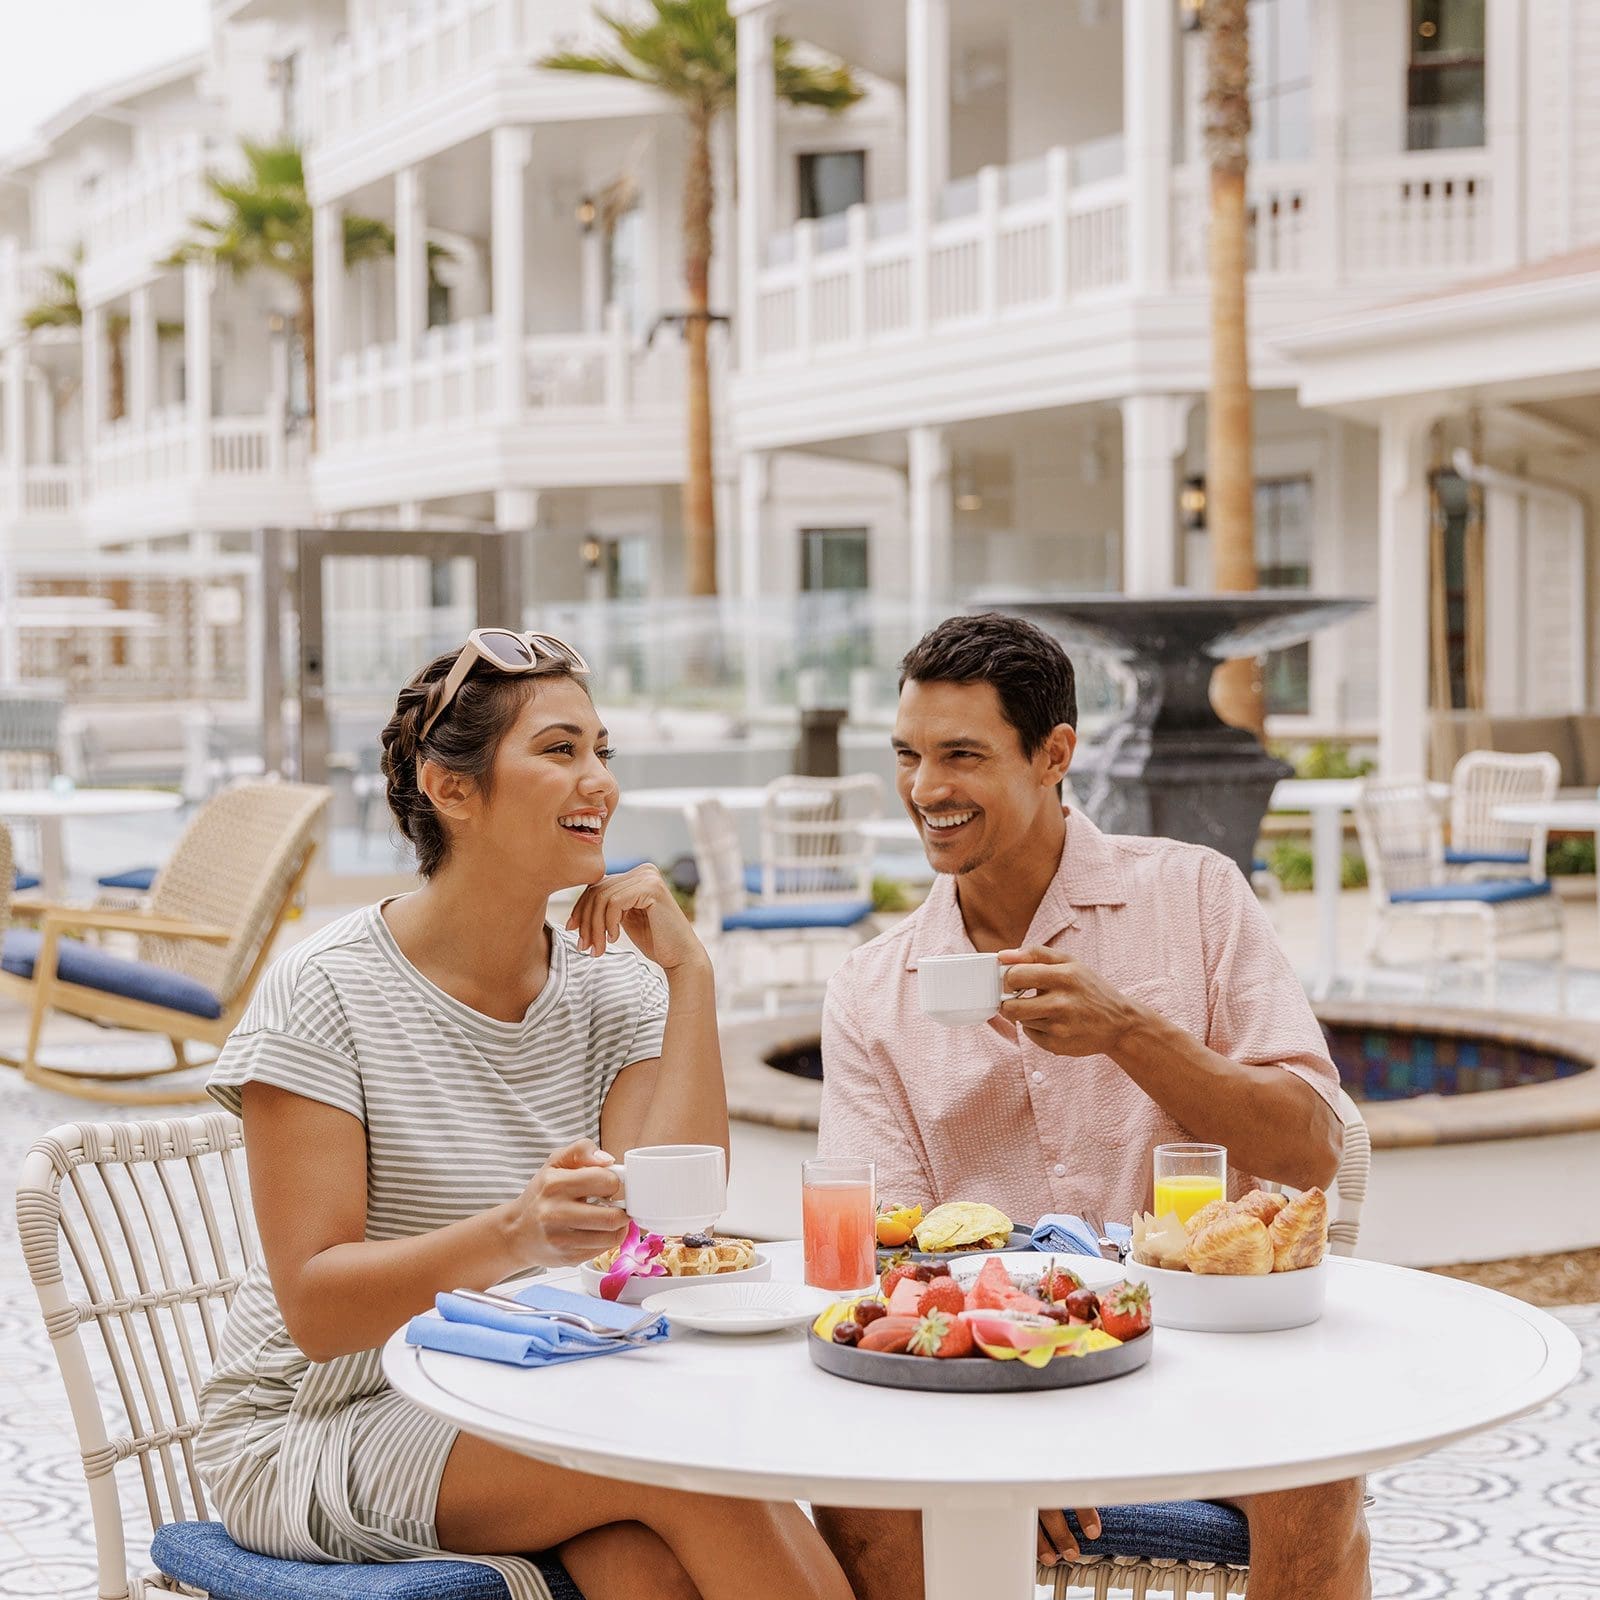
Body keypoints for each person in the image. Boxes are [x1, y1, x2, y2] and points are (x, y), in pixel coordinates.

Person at [195, 629, 854, 1600]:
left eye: (601, 751)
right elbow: (318, 1308)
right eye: (558, 750)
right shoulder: (323, 994)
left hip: (533, 1386)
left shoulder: (610, 981)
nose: (599, 781)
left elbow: (670, 1220)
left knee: (646, 1564)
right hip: (326, 1415)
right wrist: (515, 1233)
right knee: (697, 1476)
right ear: (450, 788)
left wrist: (690, 972)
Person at [814, 613, 1369, 1600]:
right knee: (859, 1500)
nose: (925, 789)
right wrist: (1005, 1409)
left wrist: (1129, 1031)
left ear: (1054, 754)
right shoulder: (873, 986)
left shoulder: (1197, 896)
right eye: (908, 755)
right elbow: (879, 1263)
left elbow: (1312, 1148)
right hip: (985, 1370)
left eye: (961, 755)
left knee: (1318, 1475)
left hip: (1202, 1362)